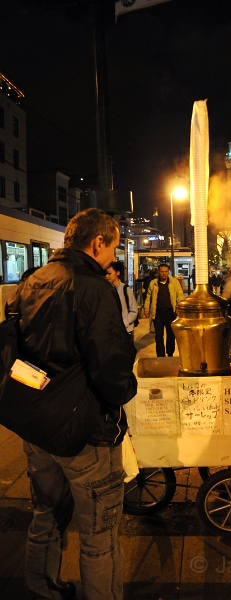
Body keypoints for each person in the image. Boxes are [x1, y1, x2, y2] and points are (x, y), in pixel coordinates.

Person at [7, 208, 138, 600]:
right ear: (97, 242)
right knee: (100, 536)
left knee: (46, 512)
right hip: (86, 433)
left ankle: (41, 587)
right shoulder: (93, 287)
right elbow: (111, 368)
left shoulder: (33, 280)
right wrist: (125, 394)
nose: (113, 258)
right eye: (112, 248)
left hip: (35, 423)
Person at [143, 262, 184, 357]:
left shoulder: (174, 282)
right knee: (158, 336)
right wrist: (146, 308)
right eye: (162, 271)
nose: (164, 273)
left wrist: (179, 307)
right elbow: (148, 296)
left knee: (171, 334)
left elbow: (180, 295)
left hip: (170, 312)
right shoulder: (153, 283)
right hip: (158, 313)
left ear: (168, 271)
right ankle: (160, 355)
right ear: (159, 272)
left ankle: (170, 353)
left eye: (166, 271)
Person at [105, 260, 138, 342]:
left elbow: (134, 311)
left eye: (109, 273)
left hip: (125, 330)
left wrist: (123, 323)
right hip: (110, 331)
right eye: (105, 273)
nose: (106, 276)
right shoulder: (105, 290)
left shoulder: (125, 290)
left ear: (117, 273)